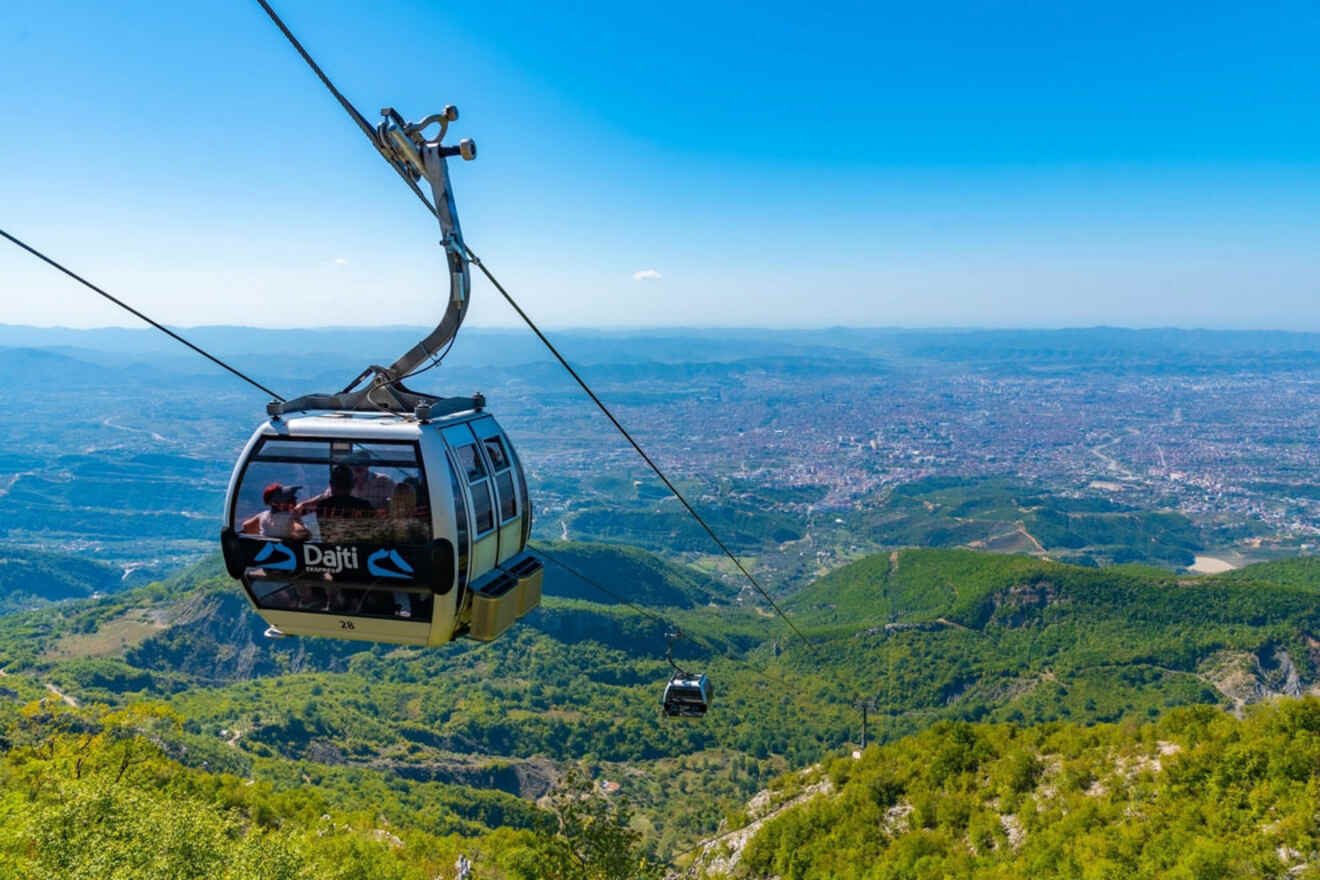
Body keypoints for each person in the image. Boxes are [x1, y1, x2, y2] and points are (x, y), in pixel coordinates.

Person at [303, 464, 374, 543]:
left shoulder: (323, 506)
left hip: (330, 553)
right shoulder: (364, 506)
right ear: (352, 484)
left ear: (331, 484)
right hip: (358, 552)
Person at [241, 483, 309, 540]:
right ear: (274, 503)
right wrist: (296, 516)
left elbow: (246, 526)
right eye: (288, 499)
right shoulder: (290, 517)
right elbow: (302, 533)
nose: (293, 500)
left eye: (292, 498)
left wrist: (269, 532)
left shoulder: (263, 516)